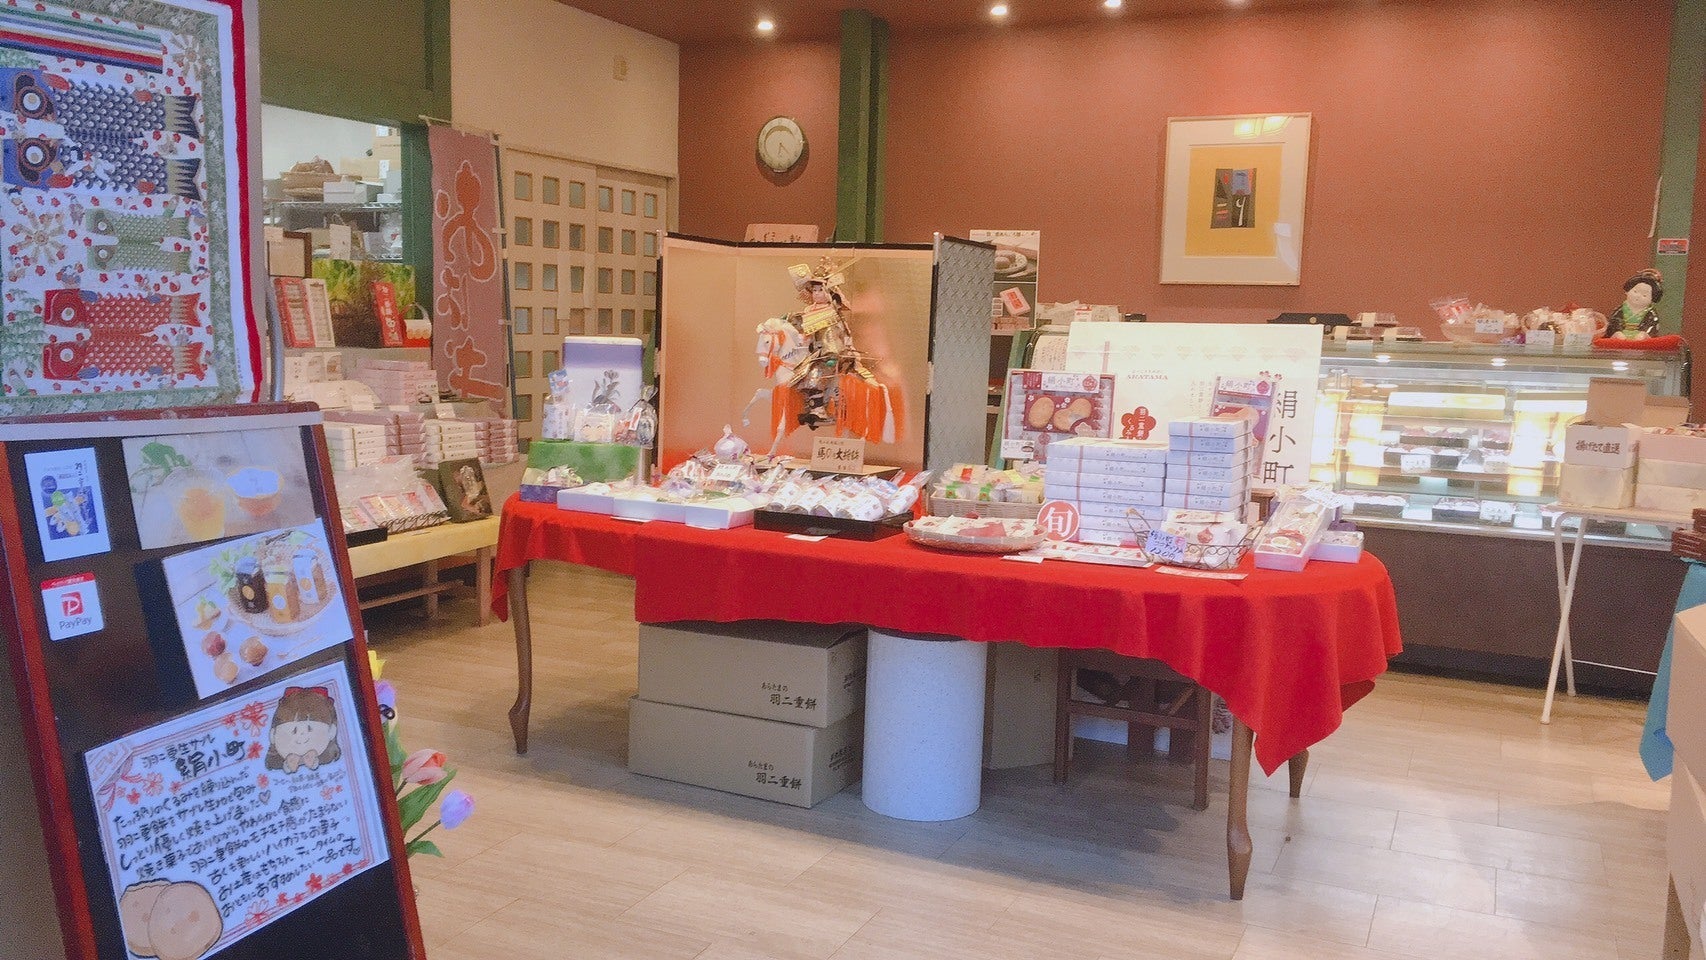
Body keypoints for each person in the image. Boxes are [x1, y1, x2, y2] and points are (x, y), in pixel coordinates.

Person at [1607, 268, 1663, 339]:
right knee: (1618, 336)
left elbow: (1652, 325)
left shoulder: (1651, 313)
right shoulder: (1620, 310)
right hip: (1622, 336)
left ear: (1652, 299)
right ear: (1627, 291)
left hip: (1640, 337)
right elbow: (1614, 322)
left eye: (1644, 295)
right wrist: (1617, 331)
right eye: (1635, 291)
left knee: (1642, 337)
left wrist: (1645, 333)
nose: (1638, 296)